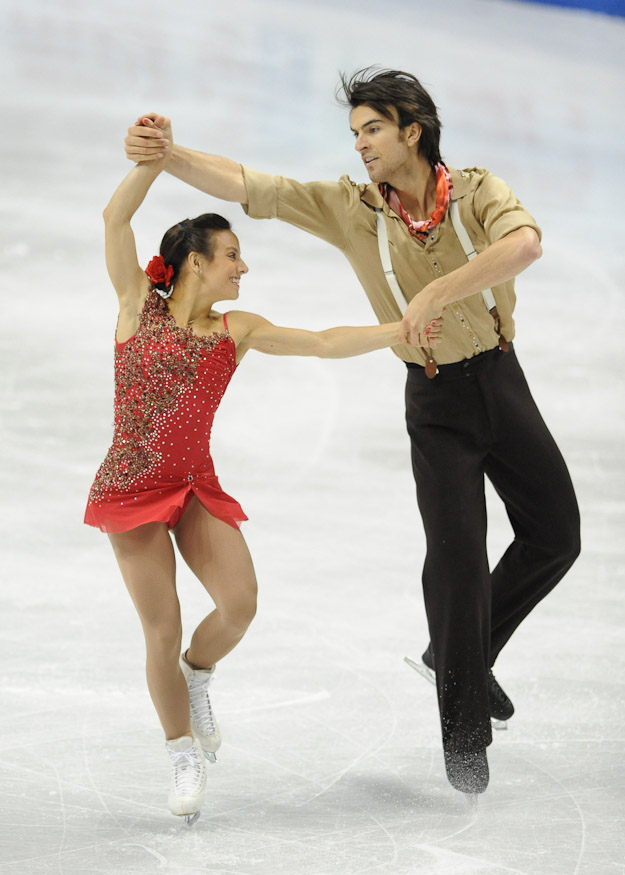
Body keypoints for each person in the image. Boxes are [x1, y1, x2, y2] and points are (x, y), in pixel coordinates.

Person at [123, 68, 580, 796]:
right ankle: (464, 745)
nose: (361, 144)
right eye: (355, 133)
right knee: (457, 559)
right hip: (433, 400)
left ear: (412, 131)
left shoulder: (474, 190)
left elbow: (523, 245)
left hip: (499, 375)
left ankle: (458, 654)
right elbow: (253, 186)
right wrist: (168, 156)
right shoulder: (350, 208)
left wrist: (436, 288)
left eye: (372, 129)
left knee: (556, 535)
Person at [84, 149, 439, 824]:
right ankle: (181, 750)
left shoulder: (234, 330)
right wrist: (152, 162)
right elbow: (115, 215)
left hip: (191, 485)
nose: (242, 266)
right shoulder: (137, 305)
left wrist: (397, 329)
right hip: (131, 487)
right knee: (160, 627)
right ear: (196, 260)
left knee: (239, 606)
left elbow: (323, 342)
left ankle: (199, 672)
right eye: (231, 255)